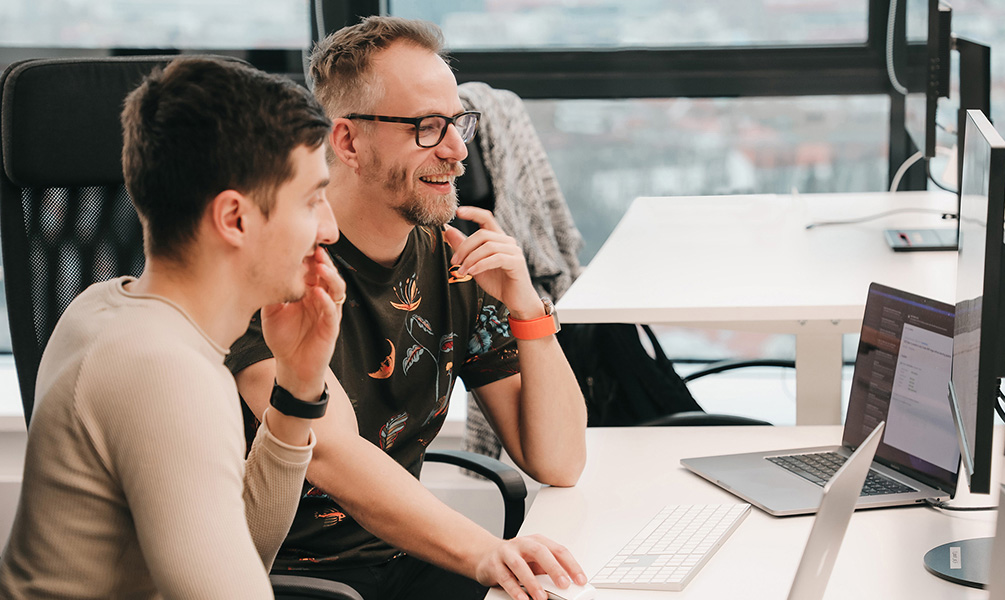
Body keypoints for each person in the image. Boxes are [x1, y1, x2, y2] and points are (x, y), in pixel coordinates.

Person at [228, 15, 589, 600]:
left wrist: (528, 310)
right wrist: (484, 552)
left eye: (457, 123)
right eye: (427, 127)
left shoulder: (454, 261)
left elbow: (560, 460)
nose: (458, 150)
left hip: (408, 557)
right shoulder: (274, 270)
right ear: (347, 142)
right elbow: (334, 454)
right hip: (287, 581)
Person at [0, 56, 345, 598]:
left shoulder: (103, 307)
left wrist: (298, 389)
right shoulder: (164, 372)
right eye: (312, 199)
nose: (330, 228)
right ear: (235, 219)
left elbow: (230, 557)